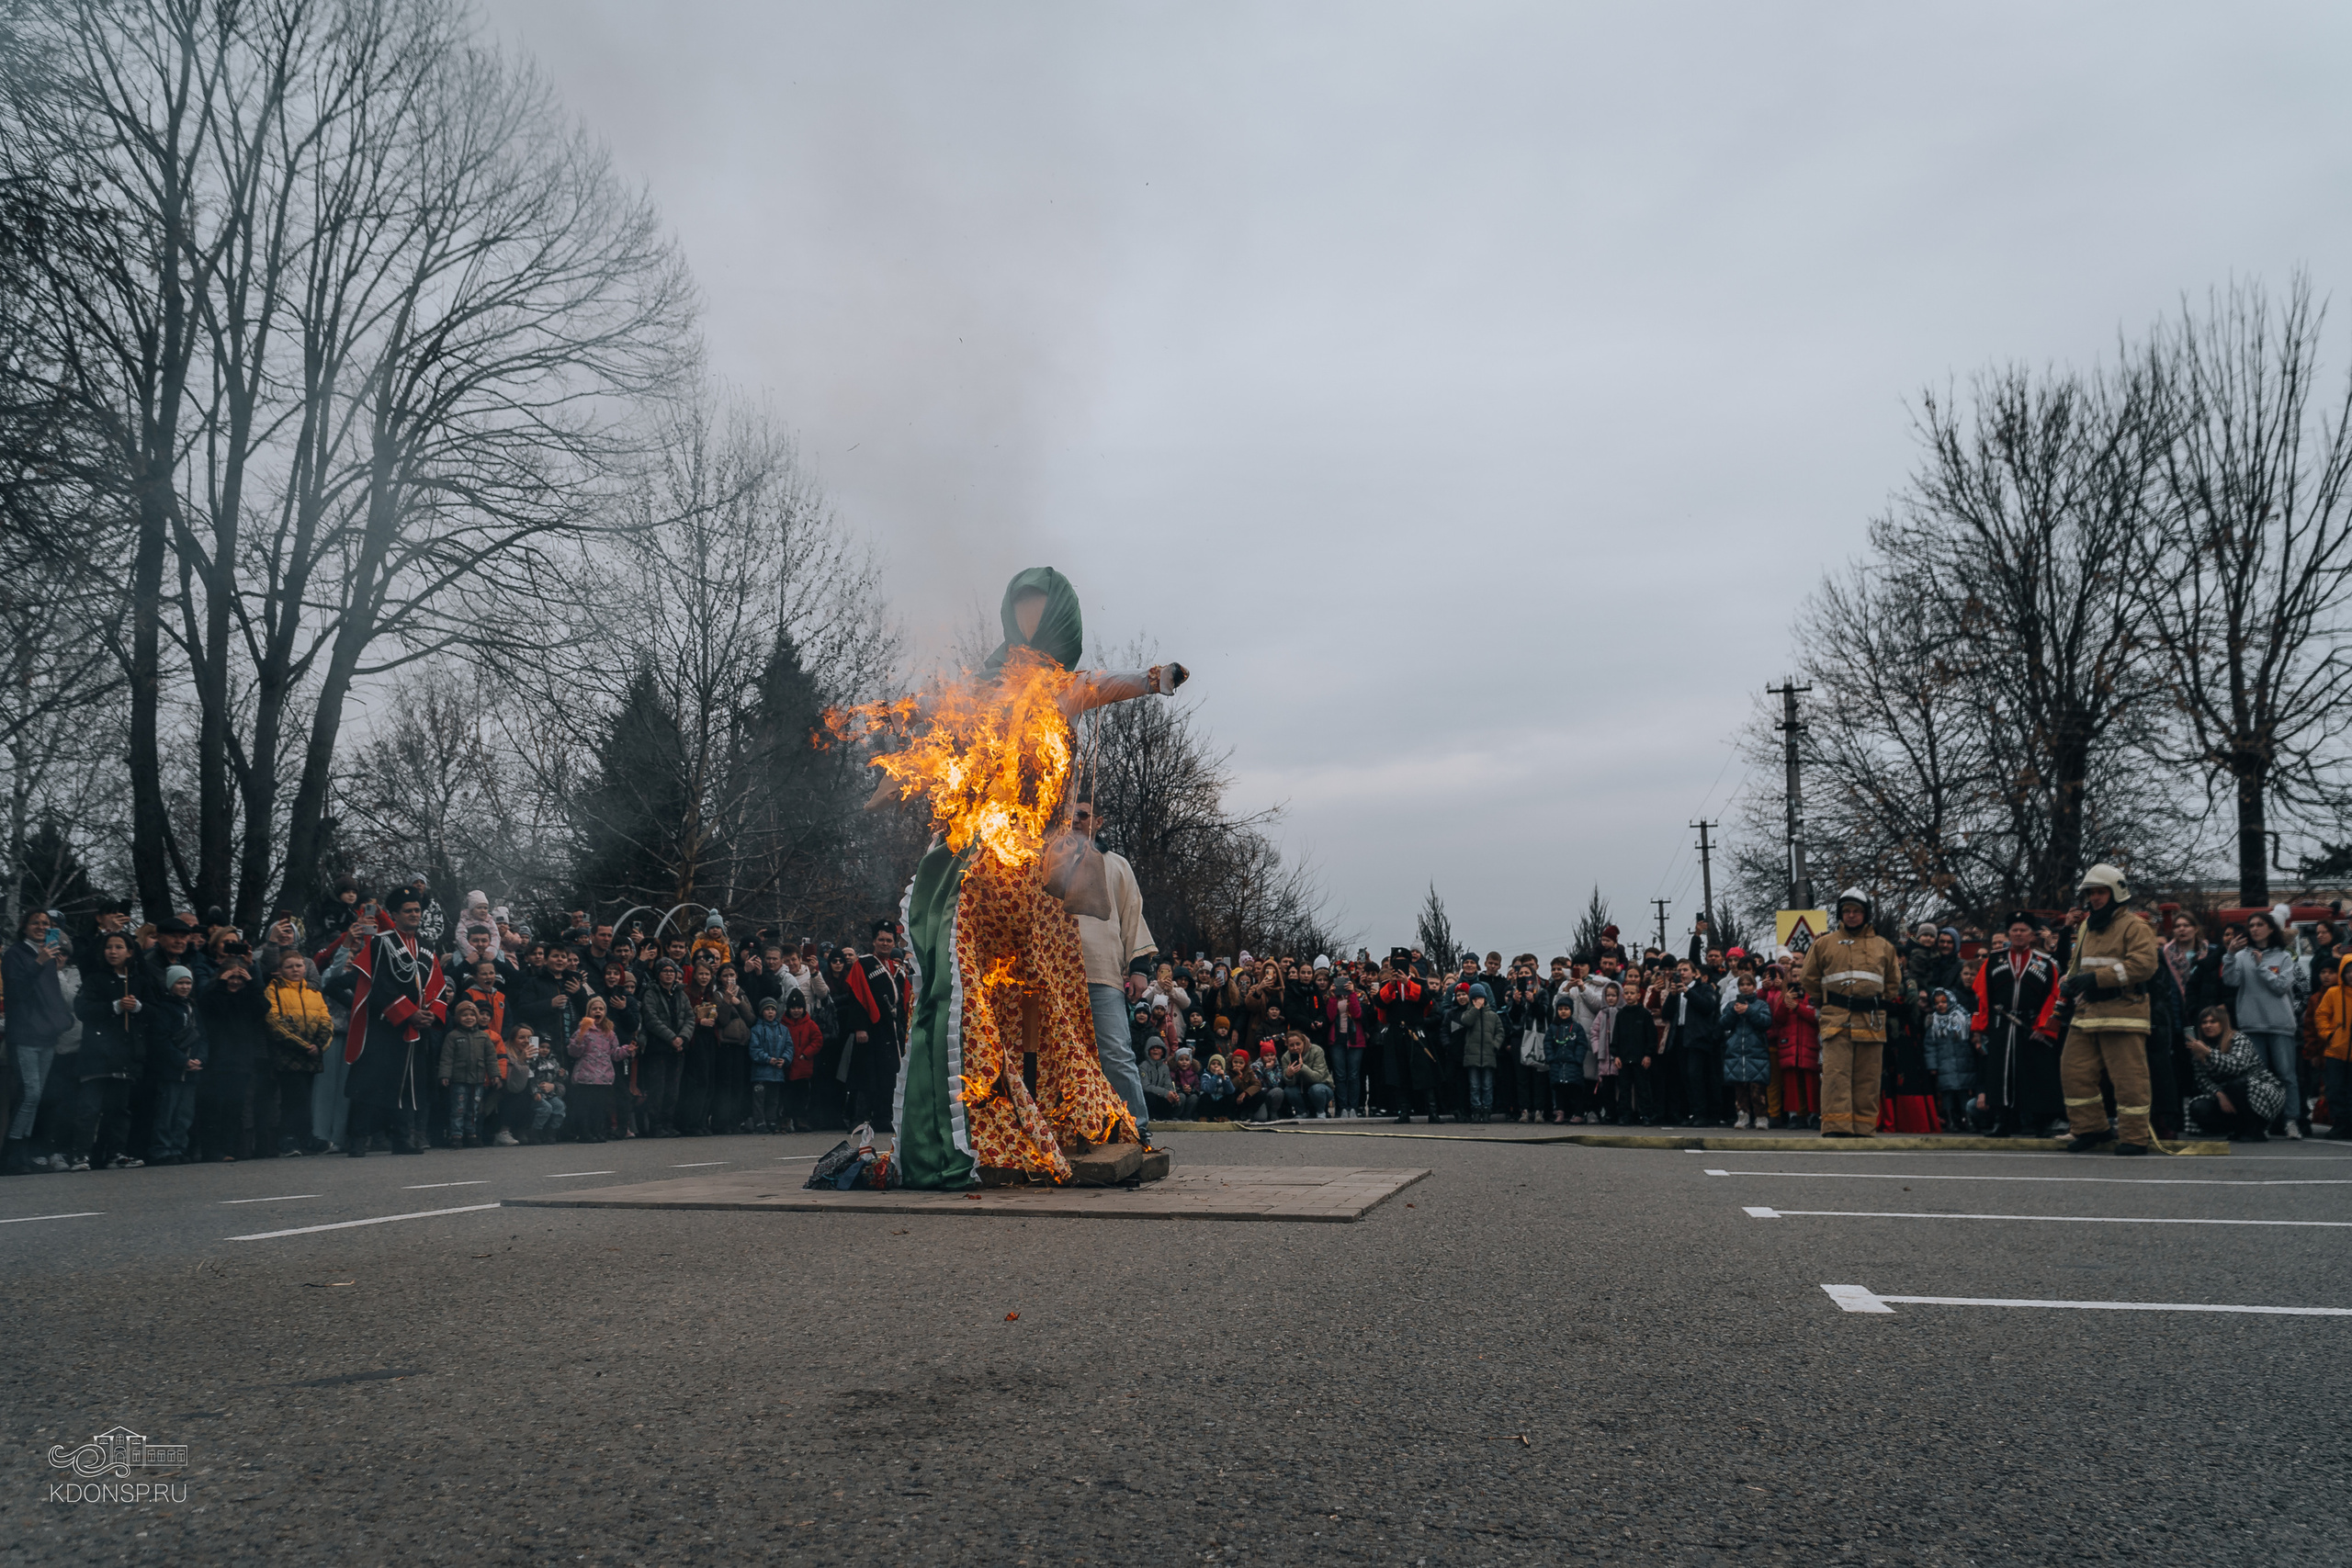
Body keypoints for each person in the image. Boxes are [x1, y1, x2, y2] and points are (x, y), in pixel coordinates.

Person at [880, 568, 1185, 1188]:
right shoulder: (983, 683)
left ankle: (1053, 1111)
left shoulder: (1063, 688)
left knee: (1046, 998)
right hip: (984, 856)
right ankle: (973, 1121)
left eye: (1038, 610)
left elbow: (1108, 684)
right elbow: (941, 718)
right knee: (973, 986)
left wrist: (1154, 679)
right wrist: (898, 732)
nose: (1026, 620)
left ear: (1059, 619)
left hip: (1039, 870)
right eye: (1019, 608)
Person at [324, 886, 446, 1156]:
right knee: (373, 1082)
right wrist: (408, 1012)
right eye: (408, 911)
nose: (415, 914)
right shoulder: (380, 942)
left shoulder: (427, 946)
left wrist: (430, 1013)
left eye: (417, 910)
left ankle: (403, 1138)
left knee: (409, 1083)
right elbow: (376, 985)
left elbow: (437, 984)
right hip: (385, 1025)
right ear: (393, 914)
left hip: (417, 1027)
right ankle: (358, 1139)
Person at [2054, 863, 2163, 1155]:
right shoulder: (2088, 925)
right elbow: (2078, 965)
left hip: (2124, 1013)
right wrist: (2070, 980)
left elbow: (2144, 965)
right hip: (2087, 1014)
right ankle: (2092, 1130)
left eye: (2100, 892)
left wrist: (2097, 979)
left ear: (2116, 892)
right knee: (2073, 1072)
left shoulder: (2135, 926)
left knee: (2129, 1079)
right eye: (2091, 893)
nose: (2095, 898)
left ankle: (2134, 1137)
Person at [1072, 795, 1158, 1144]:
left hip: (1102, 971)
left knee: (1116, 1053)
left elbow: (1132, 916)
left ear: (1099, 821)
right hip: (1054, 974)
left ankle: (1138, 1127)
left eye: (1083, 814)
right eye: (1070, 815)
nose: (1076, 820)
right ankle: (1070, 1128)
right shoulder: (1046, 861)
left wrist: (1138, 968)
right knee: (1062, 1053)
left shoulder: (1117, 864)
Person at [1797, 887, 1904, 1138]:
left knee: (1868, 1077)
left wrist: (1879, 1001)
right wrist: (1826, 1001)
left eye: (1857, 911)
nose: (1852, 915)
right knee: (1836, 1075)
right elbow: (1808, 977)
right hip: (1837, 1019)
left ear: (1866, 914)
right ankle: (1836, 1126)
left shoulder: (1884, 947)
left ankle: (1864, 1127)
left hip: (1871, 1021)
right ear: (1840, 914)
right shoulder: (1824, 944)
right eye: (1847, 911)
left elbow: (1892, 982)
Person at [1972, 913, 2062, 1136]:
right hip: (2001, 1025)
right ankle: (2003, 1122)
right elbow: (1982, 996)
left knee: (2035, 1072)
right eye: (2015, 930)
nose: (2019, 934)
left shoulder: (2046, 963)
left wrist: (2044, 1028)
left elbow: (2055, 997)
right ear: (2009, 934)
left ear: (2032, 935)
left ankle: (2040, 1123)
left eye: (2023, 930)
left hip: (2031, 1027)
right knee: (2000, 1074)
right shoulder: (1993, 961)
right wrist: (1980, 1028)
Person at [2222, 908, 2305, 1137]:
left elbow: (2280, 987)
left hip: (2280, 1025)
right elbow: (2230, 981)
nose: (2255, 929)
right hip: (2251, 1024)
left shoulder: (2284, 956)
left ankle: (2291, 1121)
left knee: (2286, 1075)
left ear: (2271, 929)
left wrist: (2262, 968)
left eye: (2260, 924)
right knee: (2259, 1077)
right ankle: (2263, 1121)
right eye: (2252, 925)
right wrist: (2229, 955)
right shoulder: (2241, 956)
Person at [4, 909, 74, 1172]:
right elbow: (15, 992)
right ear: (24, 926)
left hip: (46, 1034)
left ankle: (23, 1154)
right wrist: (38, 962)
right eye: (36, 923)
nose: (42, 927)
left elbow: (52, 995)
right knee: (29, 1094)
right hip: (24, 1034)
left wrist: (63, 1021)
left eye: (46, 924)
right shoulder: (15, 954)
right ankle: (12, 1154)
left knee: (36, 1095)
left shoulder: (48, 956)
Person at [196, 945, 269, 1161]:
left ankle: (229, 1148)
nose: (235, 982)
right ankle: (211, 1149)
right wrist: (220, 983)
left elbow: (263, 1006)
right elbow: (212, 1007)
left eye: (239, 978)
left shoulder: (247, 996)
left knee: (234, 1108)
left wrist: (253, 980)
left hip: (241, 1061)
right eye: (231, 977)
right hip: (216, 1060)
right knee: (214, 1108)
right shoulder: (212, 994)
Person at [264, 950, 333, 1156]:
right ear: (280, 970)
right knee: (294, 1097)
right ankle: (289, 1138)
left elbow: (325, 1021)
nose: (295, 970)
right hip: (288, 1053)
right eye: (289, 966)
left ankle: (305, 1137)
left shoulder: (314, 993)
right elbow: (274, 1021)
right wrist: (302, 1044)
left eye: (299, 966)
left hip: (311, 1054)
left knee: (305, 1097)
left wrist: (319, 1045)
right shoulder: (273, 989)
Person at [2185, 1005, 2286, 1141]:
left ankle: (2255, 1129)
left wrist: (2208, 1052)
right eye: (2204, 1022)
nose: (2208, 1025)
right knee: (2198, 1107)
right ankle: (2238, 1128)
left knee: (2236, 1084)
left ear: (2223, 1023)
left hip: (2259, 1091)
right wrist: (2219, 1095)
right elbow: (2201, 1079)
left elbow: (2237, 1066)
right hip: (2226, 1093)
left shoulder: (2238, 1038)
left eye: (2213, 1022)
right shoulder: (2200, 1046)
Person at [566, 996, 628, 1144]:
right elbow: (574, 1053)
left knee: (600, 1108)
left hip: (604, 1077)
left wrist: (627, 1050)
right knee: (585, 1107)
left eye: (601, 1009)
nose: (598, 1011)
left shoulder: (610, 1033)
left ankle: (598, 1131)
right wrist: (578, 1041)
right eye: (595, 1009)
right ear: (589, 1012)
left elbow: (615, 1054)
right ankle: (585, 1133)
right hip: (586, 1076)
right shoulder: (582, 1030)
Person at [1720, 973, 1773, 1128]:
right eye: (1742, 985)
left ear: (1754, 987)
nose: (1745, 988)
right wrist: (1734, 1012)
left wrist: (1748, 1011)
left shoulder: (1761, 1005)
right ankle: (1742, 1115)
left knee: (1758, 1088)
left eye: (1748, 985)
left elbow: (1765, 1022)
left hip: (1757, 1051)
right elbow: (1723, 1023)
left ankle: (1761, 1117)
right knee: (1740, 1088)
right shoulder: (1731, 1005)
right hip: (1736, 1052)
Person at [1451, 981, 1506, 1122]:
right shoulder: (1468, 1013)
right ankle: (1476, 1109)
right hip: (1472, 1056)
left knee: (1487, 1085)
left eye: (1480, 998)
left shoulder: (1493, 1015)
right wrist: (1475, 1008)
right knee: (1474, 1085)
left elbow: (1500, 1032)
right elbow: (1467, 1022)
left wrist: (1495, 1045)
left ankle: (1487, 1109)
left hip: (1488, 1055)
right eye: (1474, 998)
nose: (1478, 1001)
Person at [1924, 987, 1974, 1134]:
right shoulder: (1933, 1023)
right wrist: (1932, 1065)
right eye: (1937, 1002)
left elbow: (1970, 1039)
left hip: (1963, 1064)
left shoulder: (1963, 1017)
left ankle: (1967, 1120)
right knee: (1947, 1096)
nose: (1940, 1005)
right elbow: (1930, 1046)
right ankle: (1950, 1120)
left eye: (1944, 1001)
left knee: (1964, 1094)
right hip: (1944, 1066)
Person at [748, 996, 793, 1134]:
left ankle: (771, 1120)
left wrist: (784, 1059)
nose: (770, 1012)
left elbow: (789, 1047)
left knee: (774, 1099)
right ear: (762, 1011)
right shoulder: (757, 1029)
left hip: (777, 1073)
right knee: (759, 1099)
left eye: (773, 1009)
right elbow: (754, 1049)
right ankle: (760, 1122)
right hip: (761, 1072)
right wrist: (768, 1059)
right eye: (767, 1009)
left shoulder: (783, 1030)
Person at [1279, 1029, 1335, 1119]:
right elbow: (1289, 1084)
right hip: (1301, 1091)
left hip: (1321, 1088)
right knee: (1289, 1090)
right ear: (1287, 1046)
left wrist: (1302, 1067)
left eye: (1298, 1044)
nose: (1295, 1048)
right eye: (1291, 1045)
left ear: (1303, 1042)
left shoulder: (1316, 1050)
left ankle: (1321, 1111)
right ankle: (1302, 1112)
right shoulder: (1286, 1057)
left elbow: (1319, 1077)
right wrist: (1289, 1075)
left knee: (1316, 1089)